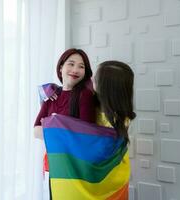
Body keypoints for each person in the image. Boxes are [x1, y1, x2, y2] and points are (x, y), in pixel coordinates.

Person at [41, 60, 135, 199]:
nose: (90, 80)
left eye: (95, 78)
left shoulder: (115, 118)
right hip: (114, 176)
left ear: (105, 87)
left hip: (100, 176)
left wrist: (57, 123)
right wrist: (49, 89)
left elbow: (93, 149)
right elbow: (69, 86)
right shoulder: (97, 102)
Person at [33, 48, 97, 200]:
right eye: (71, 64)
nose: (75, 70)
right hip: (53, 165)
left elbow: (85, 135)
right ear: (61, 67)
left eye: (81, 66)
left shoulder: (85, 95)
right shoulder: (51, 96)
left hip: (74, 167)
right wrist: (63, 129)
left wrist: (51, 127)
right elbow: (36, 131)